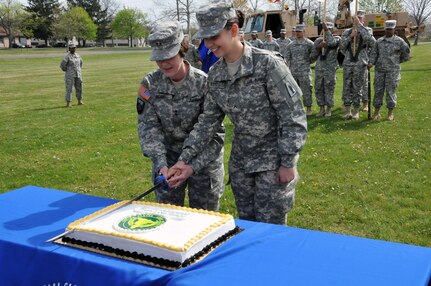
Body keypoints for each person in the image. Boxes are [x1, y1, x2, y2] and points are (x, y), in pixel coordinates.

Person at [167, 0, 307, 225]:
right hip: (242, 164)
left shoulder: (268, 65)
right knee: (247, 226)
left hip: (272, 162)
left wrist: (289, 162)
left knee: (270, 231)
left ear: (233, 30)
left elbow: (293, 117)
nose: (209, 44)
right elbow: (207, 123)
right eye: (206, 38)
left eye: (215, 37)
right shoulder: (215, 74)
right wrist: (184, 160)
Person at [137, 21, 225, 211]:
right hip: (167, 164)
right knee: (167, 219)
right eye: (159, 58)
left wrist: (189, 164)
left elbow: (215, 135)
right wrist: (161, 164)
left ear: (181, 50)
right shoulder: (150, 84)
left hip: (202, 163)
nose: (164, 63)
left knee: (204, 220)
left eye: (169, 56)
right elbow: (149, 127)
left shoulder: (204, 83)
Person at [369, 20, 410, 121]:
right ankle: (376, 112)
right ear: (385, 29)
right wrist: (371, 63)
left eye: (390, 29)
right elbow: (374, 54)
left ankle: (390, 112)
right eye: (387, 29)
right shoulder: (379, 41)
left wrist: (396, 62)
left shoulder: (400, 41)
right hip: (380, 71)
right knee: (378, 91)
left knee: (391, 91)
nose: (388, 31)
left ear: (394, 29)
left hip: (393, 72)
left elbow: (406, 55)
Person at [339, 11, 376, 120]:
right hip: (348, 62)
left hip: (360, 63)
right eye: (356, 18)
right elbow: (341, 46)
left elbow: (370, 41)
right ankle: (347, 110)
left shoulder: (367, 30)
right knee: (346, 86)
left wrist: (359, 26)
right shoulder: (347, 32)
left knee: (358, 87)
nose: (357, 20)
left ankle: (356, 110)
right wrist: (351, 36)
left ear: (363, 19)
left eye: (360, 18)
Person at [285, 24, 316, 116]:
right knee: (293, 91)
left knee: (307, 90)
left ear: (304, 32)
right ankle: (296, 108)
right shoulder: (291, 45)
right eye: (296, 31)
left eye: (299, 31)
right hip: (293, 71)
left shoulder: (309, 43)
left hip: (304, 71)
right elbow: (287, 58)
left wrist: (307, 62)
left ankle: (308, 108)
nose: (297, 33)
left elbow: (314, 55)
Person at [313, 22, 341, 117]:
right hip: (320, 68)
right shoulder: (318, 40)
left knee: (329, 88)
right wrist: (319, 47)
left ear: (331, 30)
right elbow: (313, 54)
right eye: (325, 29)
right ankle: (321, 108)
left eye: (329, 29)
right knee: (318, 88)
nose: (326, 31)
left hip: (330, 68)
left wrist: (326, 31)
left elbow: (331, 43)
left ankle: (329, 109)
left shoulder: (337, 39)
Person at [60, 43, 83, 107]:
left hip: (78, 75)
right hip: (70, 75)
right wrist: (67, 71)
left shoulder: (78, 55)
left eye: (74, 48)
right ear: (69, 49)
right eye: (72, 48)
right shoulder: (67, 57)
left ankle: (79, 100)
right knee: (69, 89)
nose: (74, 49)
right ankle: (69, 102)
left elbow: (81, 63)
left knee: (79, 88)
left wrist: (79, 70)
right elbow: (62, 65)